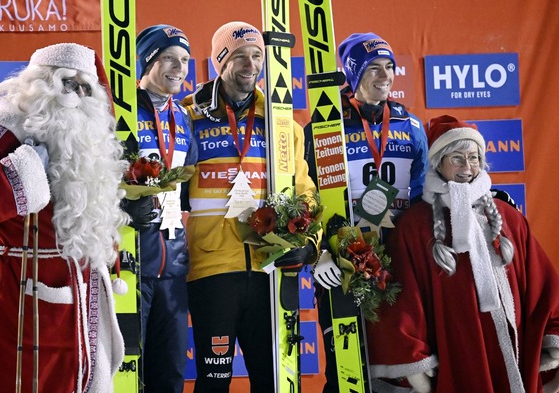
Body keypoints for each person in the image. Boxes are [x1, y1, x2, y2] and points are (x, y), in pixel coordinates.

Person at [367, 115, 559, 392]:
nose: (467, 166)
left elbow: (543, 286)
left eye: (474, 157)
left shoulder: (509, 219)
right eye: (457, 158)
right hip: (455, 357)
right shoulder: (414, 227)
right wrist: (414, 361)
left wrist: (555, 336)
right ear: (438, 163)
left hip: (515, 357)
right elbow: (403, 302)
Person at [0, 43, 127, 392]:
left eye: (86, 88)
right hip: (10, 293)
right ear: (40, 84)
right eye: (68, 84)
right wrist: (26, 167)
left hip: (74, 291)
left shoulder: (88, 135)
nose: (77, 96)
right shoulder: (6, 129)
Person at [181, 21, 319, 392]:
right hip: (211, 267)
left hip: (268, 268)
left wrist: (310, 241)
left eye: (257, 55)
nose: (250, 64)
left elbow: (304, 190)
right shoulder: (187, 115)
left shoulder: (280, 119)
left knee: (273, 379)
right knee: (213, 381)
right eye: (239, 56)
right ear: (219, 62)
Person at [307, 32, 428, 393]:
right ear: (354, 74)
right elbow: (304, 194)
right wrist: (319, 251)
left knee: (402, 364)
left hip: (399, 258)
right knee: (347, 365)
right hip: (345, 256)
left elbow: (426, 192)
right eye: (374, 68)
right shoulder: (326, 124)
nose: (385, 76)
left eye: (389, 67)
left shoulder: (411, 126)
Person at [120, 24, 198, 393]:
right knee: (126, 370)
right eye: (168, 58)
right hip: (130, 263)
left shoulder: (183, 118)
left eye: (184, 60)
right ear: (147, 60)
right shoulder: (120, 112)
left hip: (173, 266)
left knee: (169, 374)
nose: (179, 68)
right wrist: (122, 208)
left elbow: (184, 192)